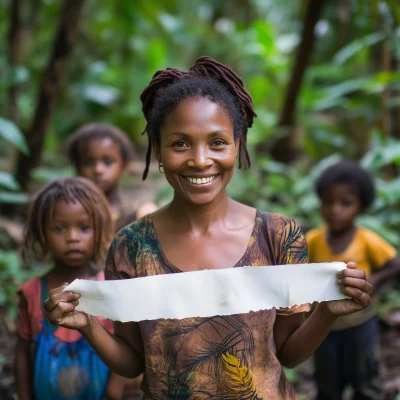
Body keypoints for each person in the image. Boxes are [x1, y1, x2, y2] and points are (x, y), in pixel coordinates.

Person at [43, 57, 372, 399]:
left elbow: (288, 353)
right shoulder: (131, 245)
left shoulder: (278, 235)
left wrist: (327, 313)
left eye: (217, 142)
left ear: (237, 144)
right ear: (157, 149)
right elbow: (133, 363)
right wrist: (88, 325)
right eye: (180, 143)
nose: (200, 160)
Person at [14, 177, 123, 400]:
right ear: (42, 232)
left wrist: (115, 389)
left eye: (84, 228)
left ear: (100, 229)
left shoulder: (110, 289)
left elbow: (126, 346)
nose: (72, 238)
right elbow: (22, 352)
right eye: (59, 228)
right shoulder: (32, 293)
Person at [306, 160, 400, 400]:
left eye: (345, 203)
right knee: (327, 382)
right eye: (329, 202)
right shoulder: (313, 241)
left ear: (362, 207)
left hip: (361, 323)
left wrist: (374, 280)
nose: (335, 209)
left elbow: (394, 264)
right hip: (324, 326)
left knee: (365, 377)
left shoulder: (367, 239)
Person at [67, 123, 156, 231]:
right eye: (88, 162)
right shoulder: (67, 213)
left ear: (124, 165)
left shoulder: (140, 215)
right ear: (77, 167)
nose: (98, 170)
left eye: (108, 162)